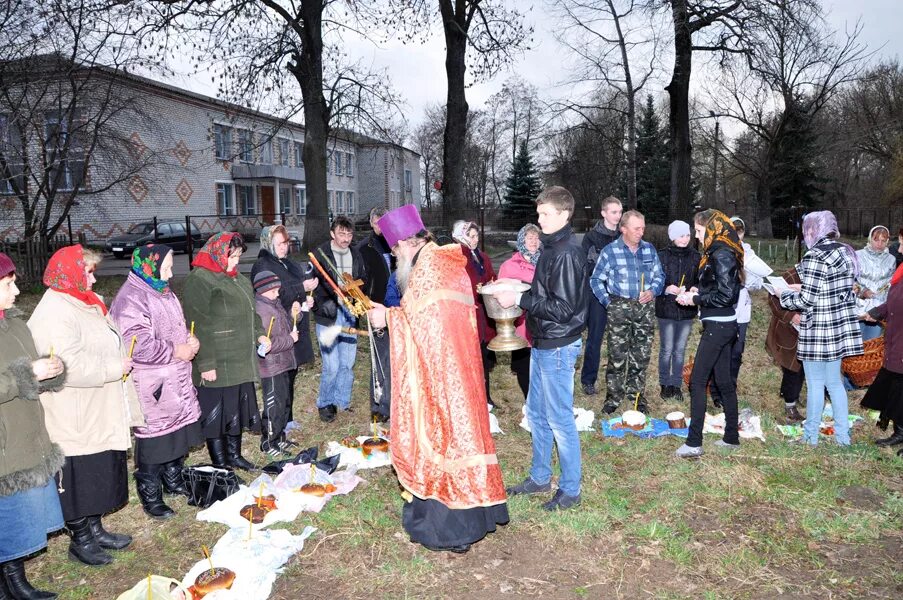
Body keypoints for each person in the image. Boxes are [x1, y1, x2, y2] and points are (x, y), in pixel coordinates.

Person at [367, 204, 508, 553]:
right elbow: (427, 317)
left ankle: (451, 530)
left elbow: (425, 324)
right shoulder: (444, 261)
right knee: (461, 438)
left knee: (444, 439)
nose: (394, 256)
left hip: (443, 374)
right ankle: (475, 516)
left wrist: (388, 318)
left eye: (395, 249)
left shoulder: (429, 268)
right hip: (459, 368)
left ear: (407, 242)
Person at [28, 245, 144, 566]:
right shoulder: (54, 312)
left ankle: (96, 527)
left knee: (98, 472)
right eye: (88, 272)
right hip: (73, 413)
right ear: (72, 275)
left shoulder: (85, 302)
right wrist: (112, 369)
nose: (93, 279)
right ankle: (80, 539)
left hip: (96, 406)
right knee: (79, 478)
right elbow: (63, 364)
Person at [495, 186, 589, 511]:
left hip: (559, 346)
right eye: (538, 213)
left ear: (564, 214)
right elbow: (547, 292)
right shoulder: (551, 247)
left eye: (545, 214)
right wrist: (521, 288)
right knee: (535, 413)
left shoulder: (564, 252)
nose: (539, 219)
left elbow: (563, 308)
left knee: (560, 417)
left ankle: (571, 489)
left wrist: (520, 299)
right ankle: (539, 476)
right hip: (542, 341)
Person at [110, 245, 201, 519]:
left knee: (176, 434)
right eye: (167, 267)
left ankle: (173, 480)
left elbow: (173, 326)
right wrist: (176, 350)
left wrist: (189, 338)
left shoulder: (162, 290)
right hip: (153, 383)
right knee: (154, 440)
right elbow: (137, 345)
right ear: (149, 265)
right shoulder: (132, 299)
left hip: (175, 377)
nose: (171, 273)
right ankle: (151, 495)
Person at [0, 253, 66, 599]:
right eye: (8, 283)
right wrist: (28, 375)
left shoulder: (15, 323)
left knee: (18, 514)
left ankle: (14, 579)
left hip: (27, 431)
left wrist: (51, 371)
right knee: (5, 513)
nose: (16, 291)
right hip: (4, 439)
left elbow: (30, 368)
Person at [182, 233, 267, 471]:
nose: (236, 262)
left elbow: (251, 311)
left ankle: (234, 454)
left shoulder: (238, 279)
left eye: (239, 256)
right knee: (216, 414)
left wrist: (259, 332)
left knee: (235, 408)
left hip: (239, 359)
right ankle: (220, 462)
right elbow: (197, 324)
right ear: (218, 253)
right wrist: (206, 363)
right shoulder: (200, 280)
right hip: (217, 360)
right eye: (232, 256)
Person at [780, 211, 863, 447]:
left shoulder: (814, 255)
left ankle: (810, 438)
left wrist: (784, 295)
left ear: (812, 230)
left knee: (816, 384)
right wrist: (803, 287)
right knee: (834, 383)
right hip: (838, 328)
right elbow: (833, 287)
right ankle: (843, 438)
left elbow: (806, 300)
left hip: (818, 329)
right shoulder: (846, 252)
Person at [674, 210, 743, 458]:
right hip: (720, 324)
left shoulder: (721, 252)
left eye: (700, 231)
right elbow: (717, 287)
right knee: (723, 382)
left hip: (720, 327)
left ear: (712, 229)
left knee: (698, 382)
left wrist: (696, 298)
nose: (696, 236)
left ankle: (694, 443)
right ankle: (731, 438)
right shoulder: (715, 251)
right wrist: (697, 290)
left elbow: (727, 295)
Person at [590, 210, 664, 414]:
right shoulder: (610, 251)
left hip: (644, 309)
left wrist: (653, 291)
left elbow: (660, 276)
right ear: (623, 229)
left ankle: (637, 395)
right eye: (636, 228)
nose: (641, 232)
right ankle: (613, 397)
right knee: (617, 355)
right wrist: (608, 303)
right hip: (619, 308)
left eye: (643, 228)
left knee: (641, 354)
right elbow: (596, 280)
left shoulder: (649, 250)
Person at [251, 225, 318, 425]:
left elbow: (294, 292)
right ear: (268, 244)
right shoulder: (263, 265)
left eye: (286, 242)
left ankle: (287, 419)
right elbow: (274, 293)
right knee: (281, 377)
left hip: (294, 321)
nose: (284, 247)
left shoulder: (288, 263)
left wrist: (306, 299)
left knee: (291, 372)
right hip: (277, 326)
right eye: (279, 243)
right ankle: (278, 421)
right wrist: (301, 287)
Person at [311, 216, 367, 422]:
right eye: (341, 233)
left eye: (349, 234)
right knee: (331, 364)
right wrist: (321, 303)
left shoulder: (356, 254)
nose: (345, 238)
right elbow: (311, 286)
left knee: (347, 362)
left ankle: (342, 400)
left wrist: (358, 296)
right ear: (332, 233)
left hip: (350, 314)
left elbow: (363, 279)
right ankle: (325, 403)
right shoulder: (320, 255)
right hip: (328, 316)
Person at [580, 196, 622, 396]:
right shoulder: (591, 237)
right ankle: (588, 380)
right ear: (604, 213)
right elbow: (585, 266)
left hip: (621, 294)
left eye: (620, 212)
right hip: (598, 294)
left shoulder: (624, 235)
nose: (618, 216)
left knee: (619, 339)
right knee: (595, 339)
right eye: (614, 212)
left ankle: (617, 380)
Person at [354, 208, 394, 422]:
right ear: (371, 224)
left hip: (397, 309)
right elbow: (359, 281)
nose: (381, 228)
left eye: (384, 223)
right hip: (376, 308)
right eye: (377, 223)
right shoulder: (363, 248)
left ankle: (396, 402)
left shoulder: (397, 243)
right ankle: (380, 407)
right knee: (380, 360)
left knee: (396, 359)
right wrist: (366, 306)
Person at [253, 271, 298, 458]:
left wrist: (295, 315)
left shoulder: (274, 303)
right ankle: (268, 441)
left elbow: (286, 324)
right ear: (263, 291)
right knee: (274, 405)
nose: (278, 294)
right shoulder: (262, 310)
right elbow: (268, 342)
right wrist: (289, 340)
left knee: (285, 402)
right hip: (271, 366)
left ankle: (279, 436)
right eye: (274, 291)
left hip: (284, 362)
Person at [860, 260, 903, 453]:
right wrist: (877, 312)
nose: (899, 250)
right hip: (897, 339)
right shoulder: (901, 271)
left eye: (902, 244)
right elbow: (894, 301)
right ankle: (900, 432)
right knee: (897, 387)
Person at [452, 220, 497, 406]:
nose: (475, 239)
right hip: (466, 316)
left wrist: (493, 284)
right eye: (470, 236)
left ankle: (486, 397)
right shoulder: (458, 258)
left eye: (477, 235)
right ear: (462, 237)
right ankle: (470, 399)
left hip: (483, 315)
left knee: (484, 358)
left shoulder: (483, 257)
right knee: (468, 359)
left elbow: (490, 276)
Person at [655, 220, 699, 401]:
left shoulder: (696, 256)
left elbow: (700, 279)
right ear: (673, 237)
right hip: (666, 309)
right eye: (681, 235)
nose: (685, 238)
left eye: (688, 235)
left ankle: (676, 384)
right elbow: (655, 281)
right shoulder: (662, 256)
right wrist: (667, 288)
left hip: (686, 310)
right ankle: (665, 384)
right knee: (667, 349)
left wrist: (696, 289)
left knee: (680, 350)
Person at [497, 224, 542, 400]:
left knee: (541, 365)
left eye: (536, 237)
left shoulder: (546, 261)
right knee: (524, 364)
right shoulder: (509, 266)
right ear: (521, 241)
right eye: (528, 237)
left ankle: (540, 400)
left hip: (542, 321)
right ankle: (529, 400)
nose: (533, 241)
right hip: (521, 323)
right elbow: (500, 296)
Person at [765, 267, 805, 422]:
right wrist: (791, 316)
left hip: (808, 330)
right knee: (792, 366)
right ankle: (790, 404)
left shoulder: (820, 274)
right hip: (787, 330)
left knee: (802, 366)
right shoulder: (790, 275)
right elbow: (773, 299)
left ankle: (790, 394)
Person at [855, 225, 896, 342]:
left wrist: (886, 307)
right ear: (870, 239)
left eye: (883, 240)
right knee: (856, 344)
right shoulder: (858, 256)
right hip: (859, 308)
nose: (879, 244)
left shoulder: (891, 259)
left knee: (872, 345)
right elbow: (851, 280)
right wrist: (863, 292)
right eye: (876, 239)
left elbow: (890, 284)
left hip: (878, 310)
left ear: (887, 242)